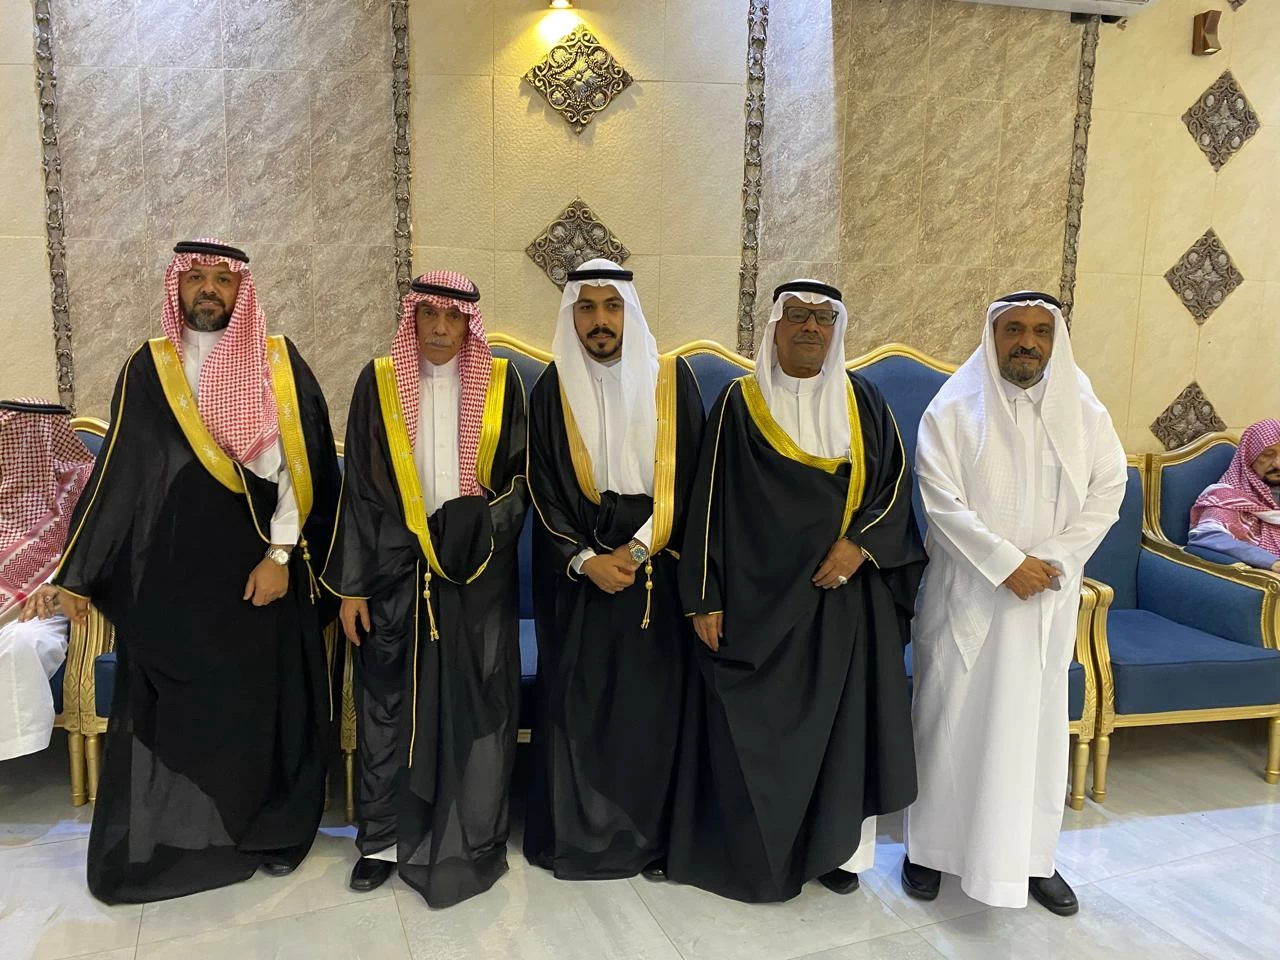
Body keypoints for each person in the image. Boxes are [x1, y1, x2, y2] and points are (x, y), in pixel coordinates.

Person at [40, 239, 341, 904]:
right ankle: (192, 830)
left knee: (260, 704)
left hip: (262, 568)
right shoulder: (151, 366)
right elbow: (119, 472)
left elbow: (305, 467)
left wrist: (280, 556)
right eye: (196, 277)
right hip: (179, 575)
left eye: (222, 280)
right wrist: (78, 571)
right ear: (177, 286)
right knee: (187, 708)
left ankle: (268, 831)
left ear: (241, 290)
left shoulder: (278, 360)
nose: (208, 289)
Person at [669, 279, 925, 903]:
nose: (811, 327)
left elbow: (894, 487)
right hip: (754, 605)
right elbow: (706, 503)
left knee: (842, 733)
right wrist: (704, 594)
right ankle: (747, 848)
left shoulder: (864, 402)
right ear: (775, 327)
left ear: (836, 329)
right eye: (798, 316)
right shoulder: (739, 402)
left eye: (822, 318)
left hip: (841, 600)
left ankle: (838, 852)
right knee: (751, 732)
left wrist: (860, 545)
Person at [904, 291, 1126, 916]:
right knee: (948, 721)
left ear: (1055, 341)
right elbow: (940, 500)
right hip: (968, 596)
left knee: (1036, 732)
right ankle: (930, 851)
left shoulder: (1085, 411)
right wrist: (1006, 564)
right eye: (1014, 329)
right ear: (993, 336)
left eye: (1040, 331)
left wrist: (1048, 560)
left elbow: (1109, 491)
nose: (1027, 342)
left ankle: (1032, 859)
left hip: (1044, 601)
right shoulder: (954, 408)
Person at [323, 271, 529, 907]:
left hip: (474, 577)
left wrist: (469, 537)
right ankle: (382, 842)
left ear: (470, 323)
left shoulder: (502, 385)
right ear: (411, 318)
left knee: (475, 704)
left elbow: (518, 483)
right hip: (394, 573)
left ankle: (470, 833)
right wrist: (353, 586)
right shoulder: (380, 381)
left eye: (453, 317)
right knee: (388, 707)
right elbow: (360, 488)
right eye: (429, 315)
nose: (440, 328)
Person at [522, 259, 705, 881]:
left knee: (648, 710)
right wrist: (585, 560)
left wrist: (634, 552)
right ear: (571, 314)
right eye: (586, 307)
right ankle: (576, 839)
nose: (599, 321)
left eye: (611, 306)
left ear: (629, 311)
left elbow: (691, 483)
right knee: (579, 703)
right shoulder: (551, 389)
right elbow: (543, 490)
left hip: (654, 573)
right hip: (577, 575)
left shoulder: (671, 382)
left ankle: (647, 840)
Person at [1, 400, 94, 762]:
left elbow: (99, 548)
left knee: (22, 645)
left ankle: (13, 748)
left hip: (47, 608)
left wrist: (62, 585)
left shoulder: (83, 487)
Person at [1188, 420, 1280, 570]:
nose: (1278, 464)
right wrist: (1271, 562)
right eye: (1268, 455)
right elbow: (1208, 535)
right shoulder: (1227, 497)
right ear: (1249, 457)